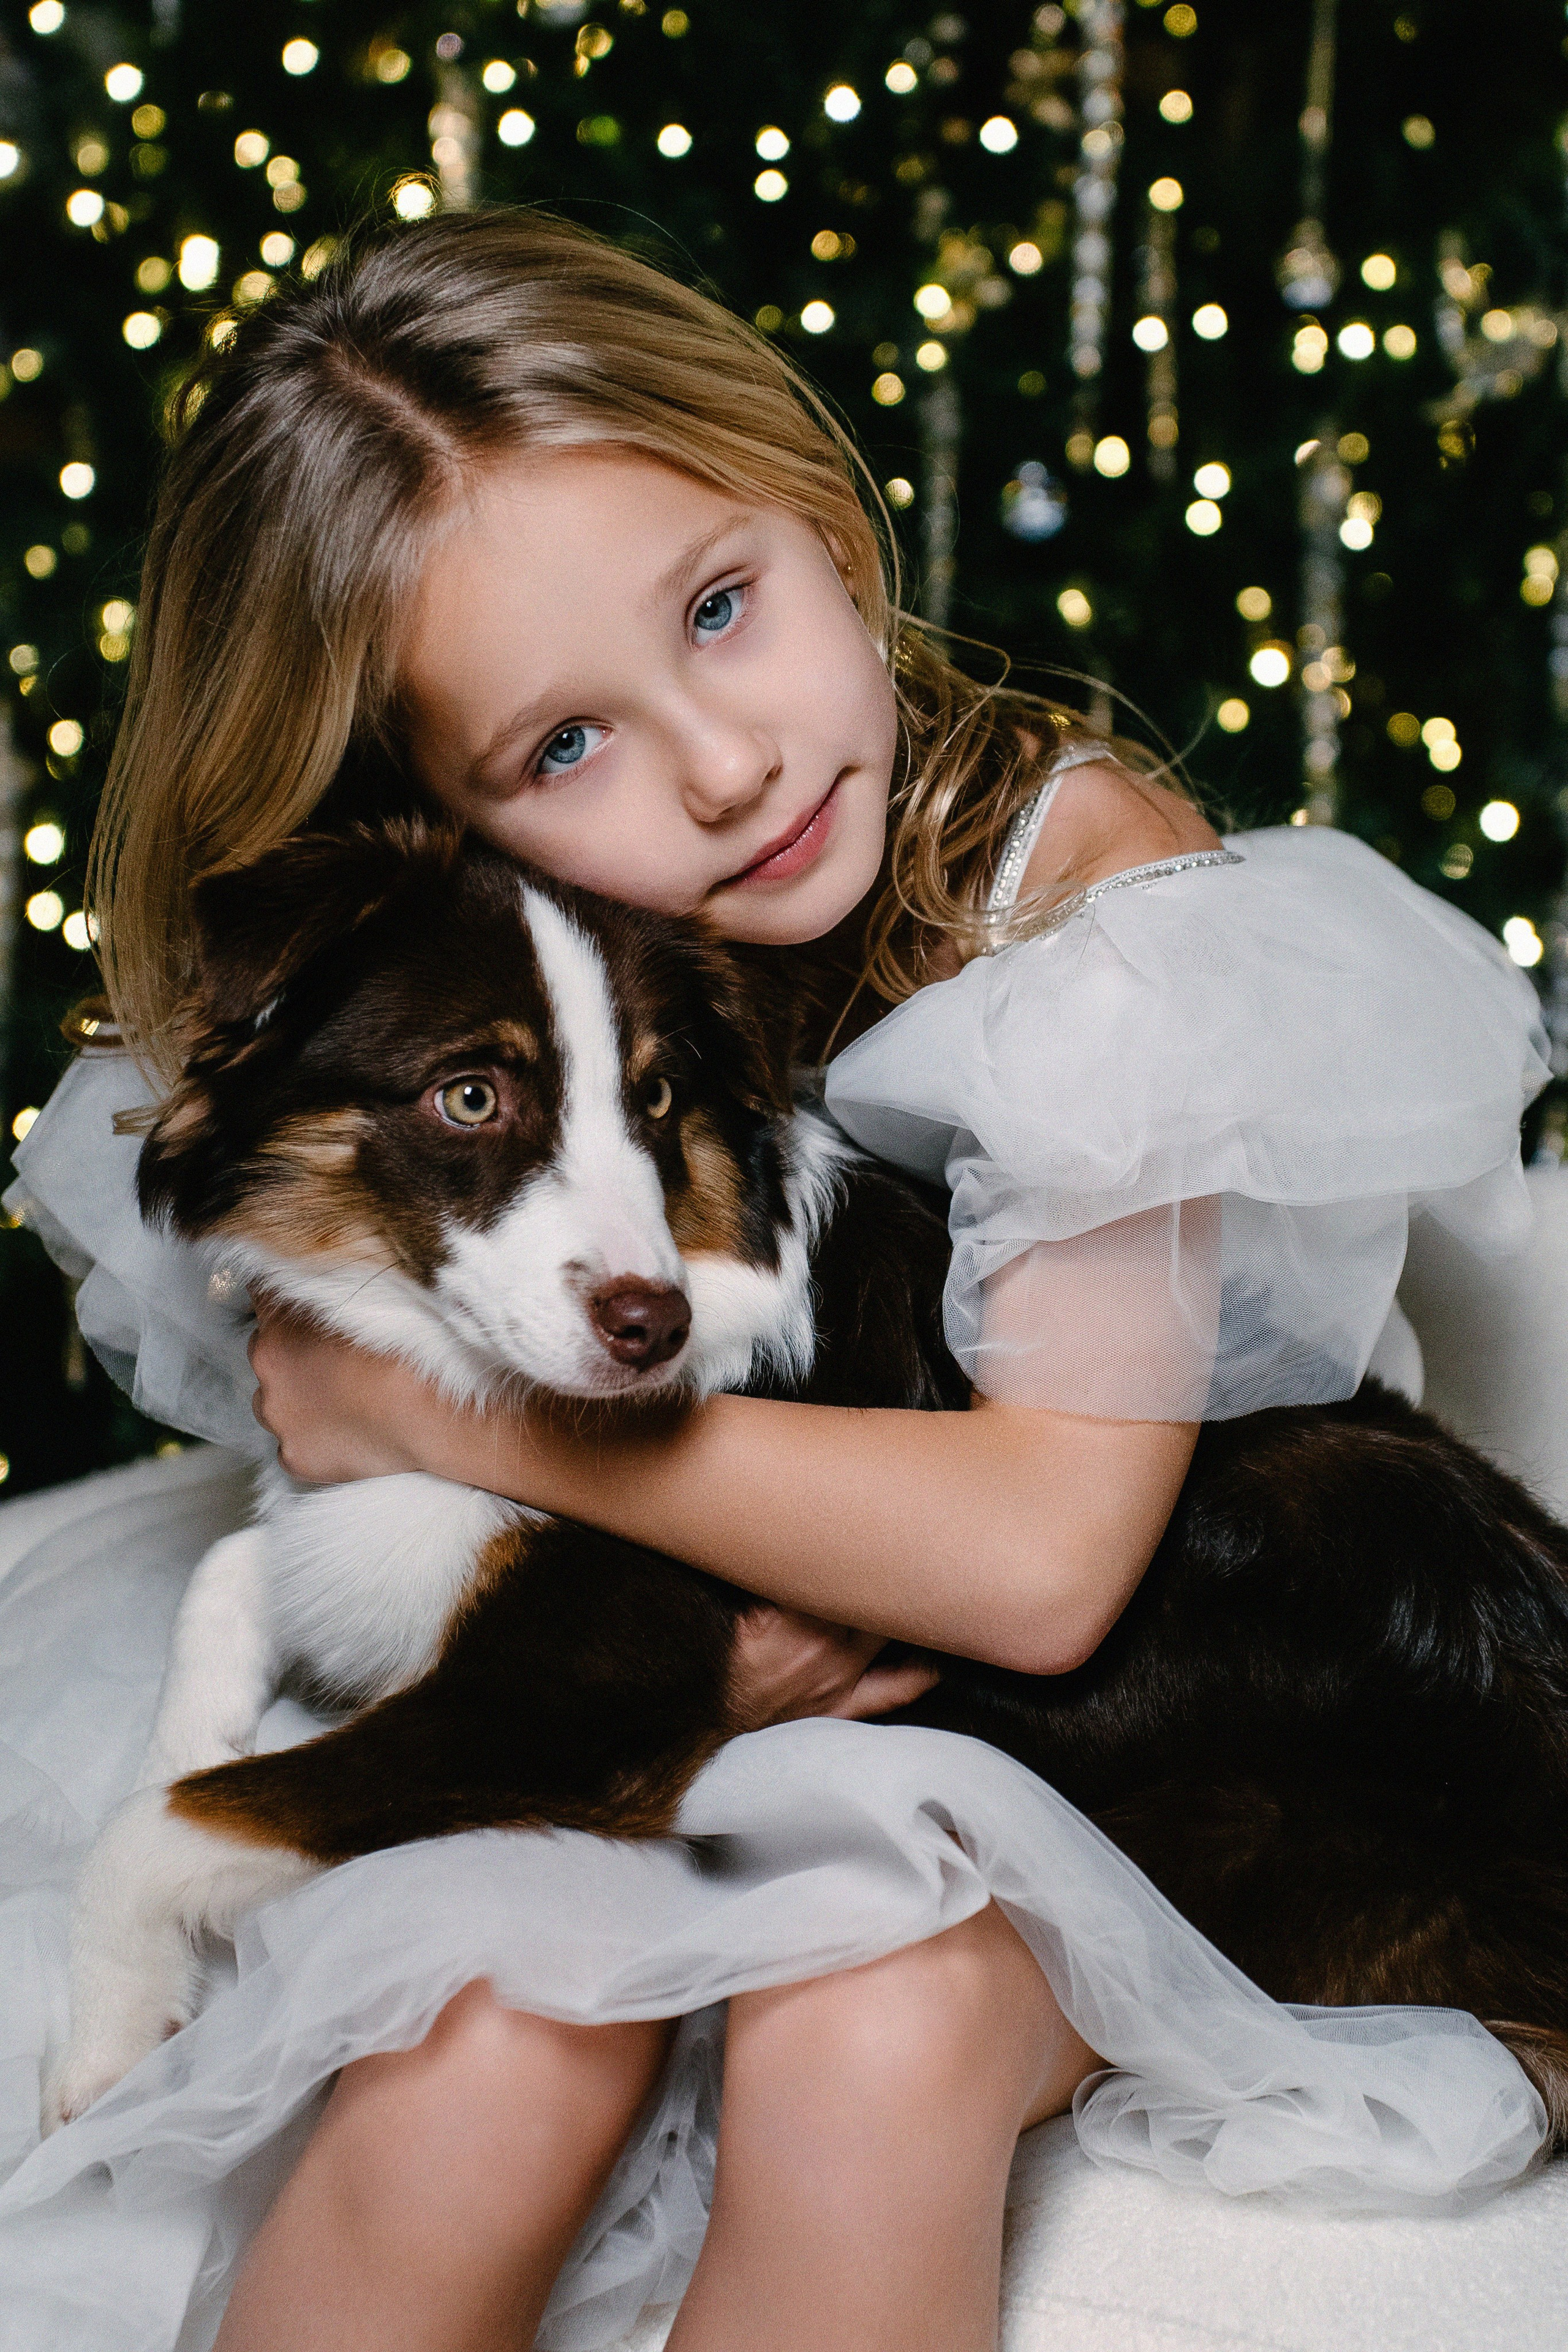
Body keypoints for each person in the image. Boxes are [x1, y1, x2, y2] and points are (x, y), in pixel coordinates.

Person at [0, 210, 1551, 2352]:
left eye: (722, 610)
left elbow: (1041, 1570)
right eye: (564, 748)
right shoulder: (504, 1013)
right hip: (727, 1669)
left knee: (870, 2011)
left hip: (1245, 1727)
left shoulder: (1086, 892)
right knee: (483, 2017)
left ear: (818, 512)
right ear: (448, 829)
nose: (721, 766)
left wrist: (442, 1414)